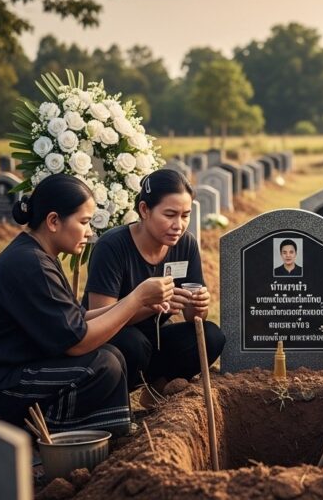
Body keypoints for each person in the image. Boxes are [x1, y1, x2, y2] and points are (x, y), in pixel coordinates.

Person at [0, 174, 173, 435]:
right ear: (53, 221)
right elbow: (77, 342)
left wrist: (140, 305)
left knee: (113, 356)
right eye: (84, 222)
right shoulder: (31, 264)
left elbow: (77, 318)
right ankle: (41, 436)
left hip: (1, 375)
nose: (89, 232)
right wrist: (135, 299)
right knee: (101, 365)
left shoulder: (37, 254)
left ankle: (105, 433)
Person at [83, 170, 224, 407]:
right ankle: (115, 403)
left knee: (211, 336)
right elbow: (100, 318)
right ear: (145, 210)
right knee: (135, 344)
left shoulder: (185, 244)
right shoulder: (113, 246)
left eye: (185, 215)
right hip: (114, 343)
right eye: (169, 214)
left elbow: (193, 317)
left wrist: (198, 304)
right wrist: (149, 304)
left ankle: (157, 392)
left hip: (156, 339)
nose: (178, 225)